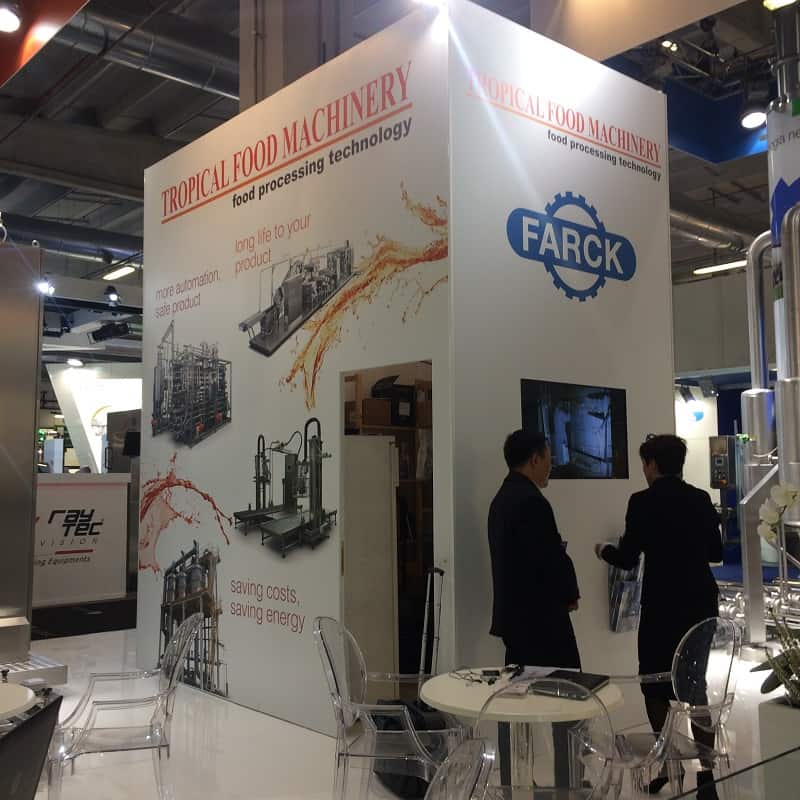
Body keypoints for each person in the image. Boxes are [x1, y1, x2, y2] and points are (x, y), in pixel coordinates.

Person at [595, 434, 722, 796]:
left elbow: (627, 558)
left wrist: (603, 550)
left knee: (653, 686)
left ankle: (669, 765)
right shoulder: (700, 499)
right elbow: (716, 553)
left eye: (644, 464)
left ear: (651, 464)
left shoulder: (641, 502)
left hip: (662, 608)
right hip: (700, 604)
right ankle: (708, 776)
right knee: (695, 688)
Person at [488, 429, 581, 787]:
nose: (551, 466)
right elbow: (548, 560)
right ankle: (568, 780)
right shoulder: (531, 502)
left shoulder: (502, 499)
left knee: (515, 701)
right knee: (568, 698)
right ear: (534, 459)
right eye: (548, 459)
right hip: (542, 620)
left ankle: (516, 780)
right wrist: (569, 592)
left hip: (516, 620)